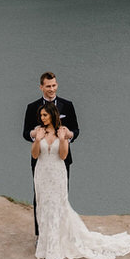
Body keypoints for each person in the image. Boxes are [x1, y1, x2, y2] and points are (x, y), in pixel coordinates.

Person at [30, 103, 130, 259]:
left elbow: (63, 156)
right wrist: (37, 140)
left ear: (53, 115)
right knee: (43, 206)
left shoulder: (63, 131)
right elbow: (35, 155)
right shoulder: (39, 130)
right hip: (41, 173)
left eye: (45, 115)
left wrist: (62, 140)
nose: (42, 118)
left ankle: (55, 248)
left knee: (57, 206)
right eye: (41, 115)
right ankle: (44, 245)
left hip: (57, 174)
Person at [23, 71, 79, 235]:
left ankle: (61, 233)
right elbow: (25, 133)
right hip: (41, 159)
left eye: (54, 85)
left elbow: (76, 129)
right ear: (41, 87)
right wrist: (33, 134)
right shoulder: (32, 107)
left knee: (61, 196)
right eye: (48, 86)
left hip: (61, 158)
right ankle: (40, 235)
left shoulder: (67, 105)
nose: (52, 89)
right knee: (40, 197)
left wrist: (69, 135)